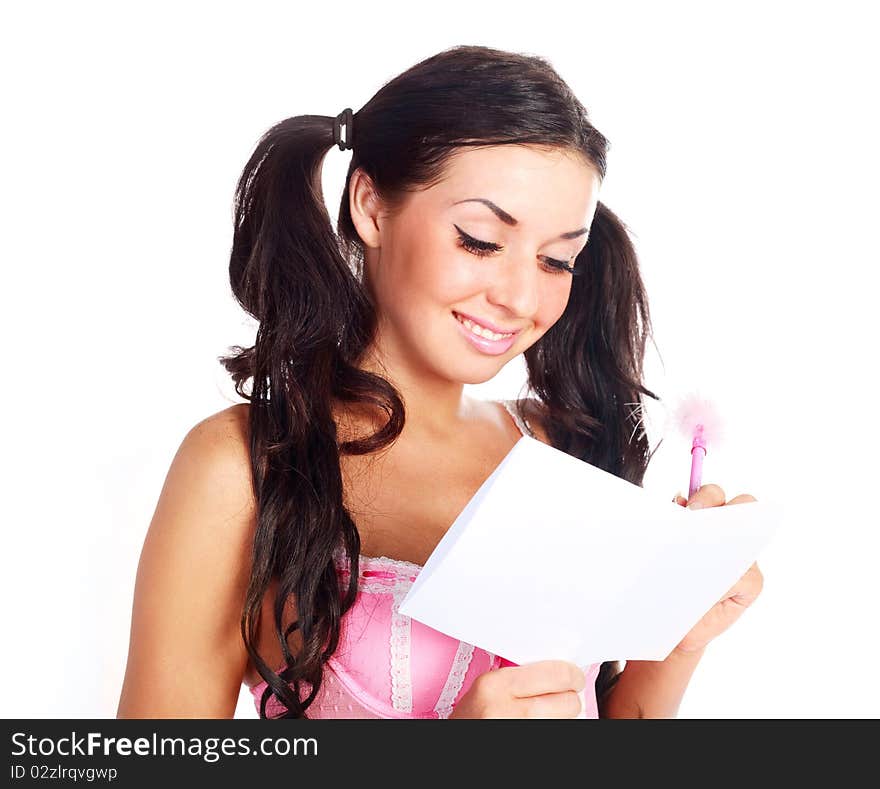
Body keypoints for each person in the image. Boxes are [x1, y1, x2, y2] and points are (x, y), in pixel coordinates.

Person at [116, 44, 763, 720]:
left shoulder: (557, 445)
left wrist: (678, 642)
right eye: (480, 240)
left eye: (556, 259)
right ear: (369, 205)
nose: (519, 296)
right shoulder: (246, 466)